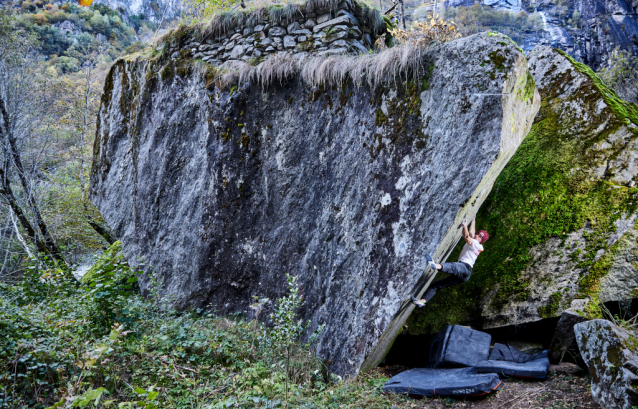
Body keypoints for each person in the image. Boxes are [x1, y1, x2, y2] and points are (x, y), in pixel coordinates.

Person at [411, 218, 489, 307]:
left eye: (479, 237)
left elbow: (467, 237)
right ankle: (422, 302)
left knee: (454, 266)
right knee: (436, 285)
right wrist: (474, 220)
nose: (476, 236)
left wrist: (464, 226)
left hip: (466, 268)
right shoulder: (477, 243)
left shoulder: (477, 244)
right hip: (463, 276)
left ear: (481, 241)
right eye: (477, 234)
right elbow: (471, 233)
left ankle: (435, 266)